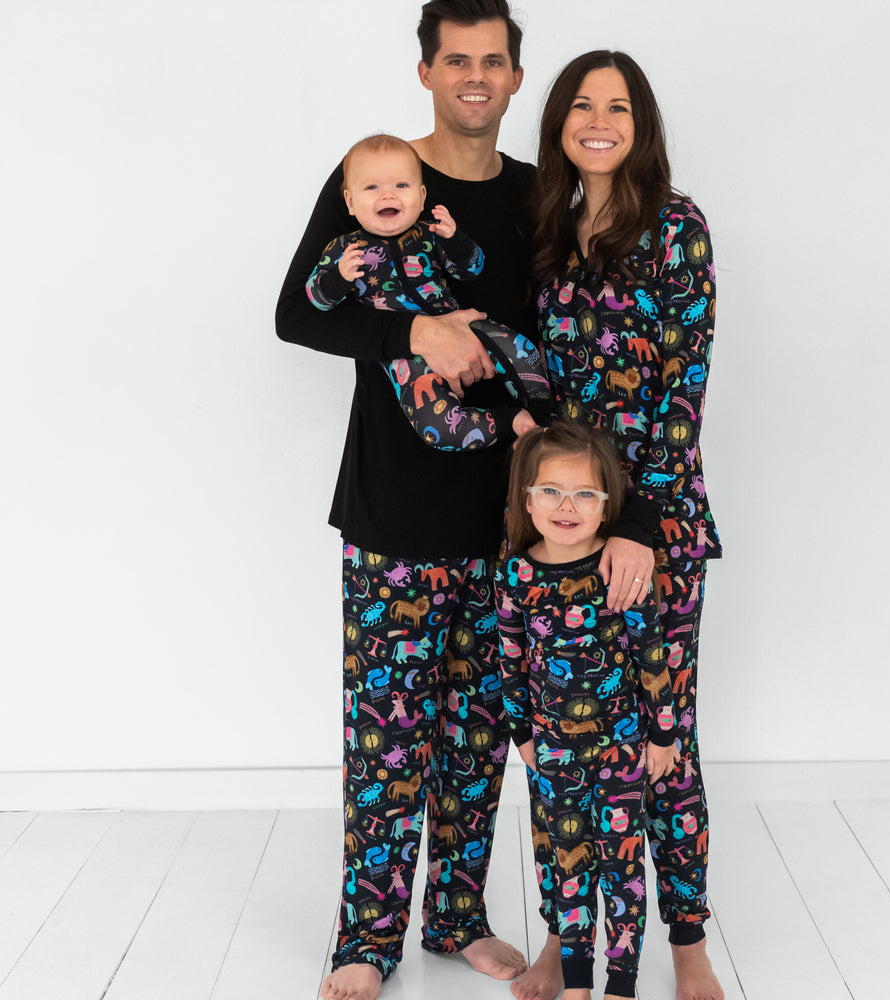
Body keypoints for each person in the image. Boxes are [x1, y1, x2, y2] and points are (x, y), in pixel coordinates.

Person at [274, 3, 533, 999]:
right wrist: (409, 336)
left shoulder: (534, 195)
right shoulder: (375, 176)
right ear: (426, 71)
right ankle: (365, 937)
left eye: (493, 61)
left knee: (476, 732)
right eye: (455, 59)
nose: (475, 75)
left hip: (509, 519)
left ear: (514, 78)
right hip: (390, 513)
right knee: (386, 738)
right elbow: (300, 308)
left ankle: (458, 917)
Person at [521, 51, 725, 1000]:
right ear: (559, 119)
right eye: (581, 105)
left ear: (640, 124)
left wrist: (638, 521)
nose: (598, 121)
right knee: (565, 748)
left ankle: (686, 942)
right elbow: (545, 380)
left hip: (654, 525)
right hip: (563, 528)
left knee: (661, 738)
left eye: (617, 107)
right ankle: (570, 941)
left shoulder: (675, 227)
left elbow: (682, 389)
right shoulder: (550, 230)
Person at [496, 421, 681, 1000]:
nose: (566, 506)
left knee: (623, 873)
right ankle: (577, 982)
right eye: (550, 490)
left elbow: (653, 656)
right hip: (554, 754)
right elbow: (511, 660)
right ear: (527, 498)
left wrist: (663, 735)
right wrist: (522, 734)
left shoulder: (617, 570)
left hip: (622, 750)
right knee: (571, 871)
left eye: (583, 495)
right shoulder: (517, 573)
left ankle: (620, 986)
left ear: (607, 507)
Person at [305, 132, 539, 450]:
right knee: (438, 429)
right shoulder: (344, 248)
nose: (388, 195)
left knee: (522, 349)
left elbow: (471, 269)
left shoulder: (428, 235)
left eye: (401, 186)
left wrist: (454, 238)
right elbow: (315, 300)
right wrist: (339, 278)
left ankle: (543, 414)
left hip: (460, 324)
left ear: (421, 194)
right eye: (372, 187)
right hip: (406, 357)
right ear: (349, 201)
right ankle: (509, 422)